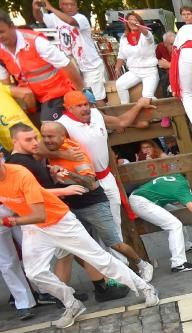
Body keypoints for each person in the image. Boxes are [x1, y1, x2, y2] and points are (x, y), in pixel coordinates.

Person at [0, 156, 158, 329]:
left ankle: (145, 288)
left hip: (60, 221)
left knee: (99, 260)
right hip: (35, 228)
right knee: (34, 273)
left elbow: (40, 214)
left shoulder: (20, 174)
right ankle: (71, 303)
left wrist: (9, 221)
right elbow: (41, 195)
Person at [7, 122, 131, 305]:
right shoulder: (20, 164)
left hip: (53, 215)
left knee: (70, 253)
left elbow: (41, 185)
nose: (35, 142)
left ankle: (84, 291)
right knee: (79, 251)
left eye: (35, 137)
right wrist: (63, 191)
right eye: (29, 139)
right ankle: (93, 289)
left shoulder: (29, 159)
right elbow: (34, 193)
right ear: (14, 141)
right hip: (50, 217)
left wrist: (53, 176)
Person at [57, 90, 154, 255]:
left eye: (86, 104)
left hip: (106, 176)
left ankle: (122, 264)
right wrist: (63, 154)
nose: (84, 108)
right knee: (99, 228)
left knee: (115, 222)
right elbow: (45, 147)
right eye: (78, 106)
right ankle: (115, 268)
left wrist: (139, 105)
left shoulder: (96, 114)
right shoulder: (62, 125)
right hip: (86, 182)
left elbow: (122, 122)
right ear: (68, 108)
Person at [0, 12, 83, 122]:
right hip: (30, 98)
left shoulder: (36, 41)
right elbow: (6, 84)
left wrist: (80, 93)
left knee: (48, 126)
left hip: (56, 93)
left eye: (1, 32)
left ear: (12, 26)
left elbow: (66, 64)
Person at [127, 175, 192, 272]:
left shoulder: (181, 179)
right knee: (174, 225)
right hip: (142, 202)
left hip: (147, 197)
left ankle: (185, 245)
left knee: (178, 217)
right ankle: (178, 263)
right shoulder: (182, 190)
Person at [32, 0, 106, 105]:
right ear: (60, 6)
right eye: (66, 4)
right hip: (73, 68)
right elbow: (39, 18)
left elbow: (71, 22)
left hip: (90, 67)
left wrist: (51, 8)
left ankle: (102, 120)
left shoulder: (81, 18)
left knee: (94, 99)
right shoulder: (54, 18)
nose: (70, 7)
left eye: (72, 4)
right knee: (81, 100)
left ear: (77, 6)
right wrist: (36, 9)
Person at [115, 12, 159, 104]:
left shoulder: (146, 34)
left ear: (140, 22)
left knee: (147, 96)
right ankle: (125, 108)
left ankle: (164, 116)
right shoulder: (123, 38)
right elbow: (121, 55)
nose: (133, 22)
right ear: (126, 23)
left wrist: (140, 27)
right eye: (130, 20)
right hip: (134, 71)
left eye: (135, 20)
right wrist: (117, 68)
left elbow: (147, 35)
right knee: (120, 84)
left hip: (149, 71)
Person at [155, 32, 175, 98]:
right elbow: (155, 59)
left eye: (175, 43)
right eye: (171, 44)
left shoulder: (180, 49)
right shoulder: (160, 47)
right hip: (164, 71)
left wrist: (169, 65)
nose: (174, 46)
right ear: (165, 44)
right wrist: (160, 62)